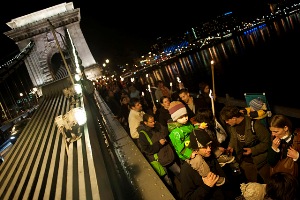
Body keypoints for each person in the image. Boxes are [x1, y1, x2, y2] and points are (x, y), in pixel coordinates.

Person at [219, 105, 271, 184]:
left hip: (260, 162)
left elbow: (267, 142)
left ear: (234, 118)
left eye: (227, 120)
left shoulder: (255, 125)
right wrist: (231, 146)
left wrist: (253, 150)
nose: (226, 122)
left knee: (269, 183)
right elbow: (233, 138)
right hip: (245, 162)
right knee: (252, 186)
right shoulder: (232, 126)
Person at [181, 127, 227, 199]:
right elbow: (188, 198)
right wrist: (206, 187)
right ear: (195, 149)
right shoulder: (187, 169)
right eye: (204, 147)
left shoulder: (210, 156)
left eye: (209, 145)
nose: (209, 149)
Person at [137, 113, 181, 189]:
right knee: (168, 181)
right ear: (145, 123)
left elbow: (165, 133)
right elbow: (146, 150)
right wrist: (159, 144)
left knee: (179, 172)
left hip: (168, 156)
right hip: (159, 161)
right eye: (151, 122)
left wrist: (160, 125)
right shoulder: (143, 135)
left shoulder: (156, 126)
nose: (153, 123)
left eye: (154, 121)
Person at [268, 114, 300, 178]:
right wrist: (274, 148)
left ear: (285, 128)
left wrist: (297, 156)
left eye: (276, 131)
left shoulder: (298, 138)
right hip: (279, 178)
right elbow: (271, 163)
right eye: (271, 131)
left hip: (293, 179)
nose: (273, 134)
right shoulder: (273, 139)